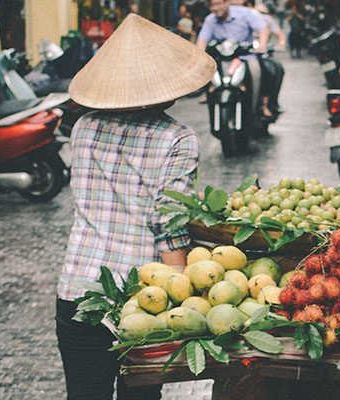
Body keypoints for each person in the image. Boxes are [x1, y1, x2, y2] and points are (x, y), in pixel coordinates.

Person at [58, 14, 213, 400]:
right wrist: (184, 301)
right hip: (142, 298)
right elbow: (169, 225)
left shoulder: (84, 127)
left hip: (78, 288)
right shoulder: (177, 139)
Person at [197, 0, 270, 126]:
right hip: (222, 60)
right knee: (206, 72)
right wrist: (199, 56)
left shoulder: (245, 13)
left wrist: (262, 46)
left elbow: (263, 29)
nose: (215, 8)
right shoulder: (210, 20)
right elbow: (202, 41)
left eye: (218, 3)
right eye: (212, 5)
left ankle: (257, 105)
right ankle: (208, 96)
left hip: (245, 58)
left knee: (257, 70)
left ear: (226, 3)